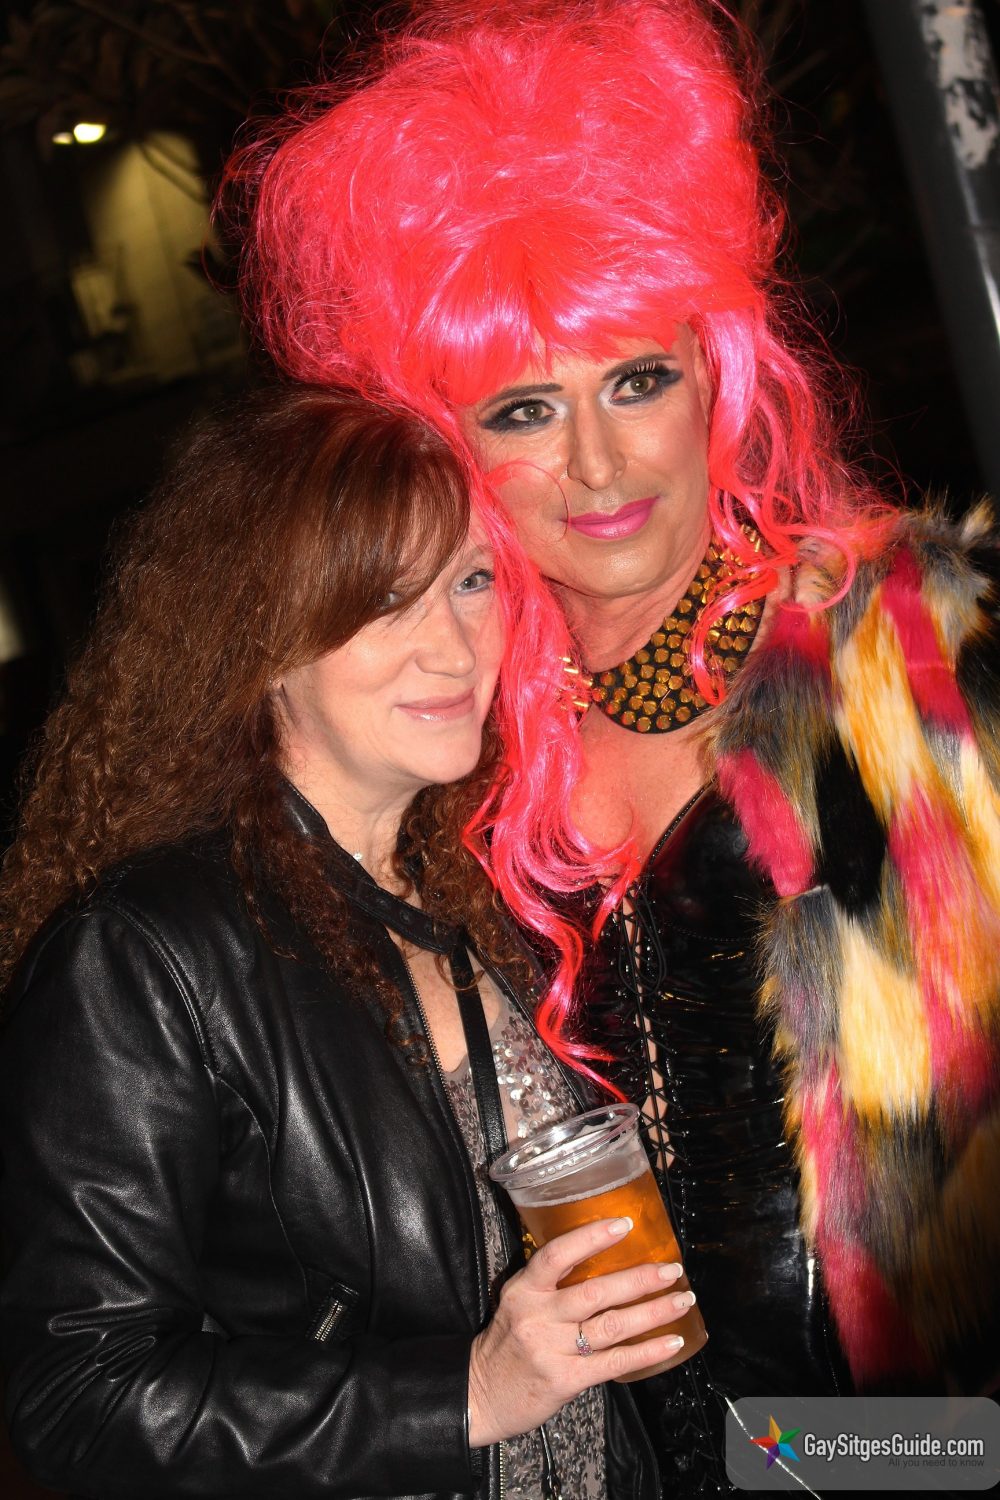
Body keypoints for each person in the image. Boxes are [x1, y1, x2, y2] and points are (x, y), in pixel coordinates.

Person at [220, 0, 1000, 1491]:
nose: (596, 465)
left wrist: (861, 1465)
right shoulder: (456, 755)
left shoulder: (899, 657)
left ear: (719, 373)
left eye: (638, 379)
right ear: (443, 448)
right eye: (524, 409)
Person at [0, 384, 695, 1500]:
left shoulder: (484, 888)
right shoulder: (142, 957)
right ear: (263, 643)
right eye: (385, 602)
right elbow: (79, 1397)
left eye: (472, 581)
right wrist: (466, 1392)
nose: (453, 648)